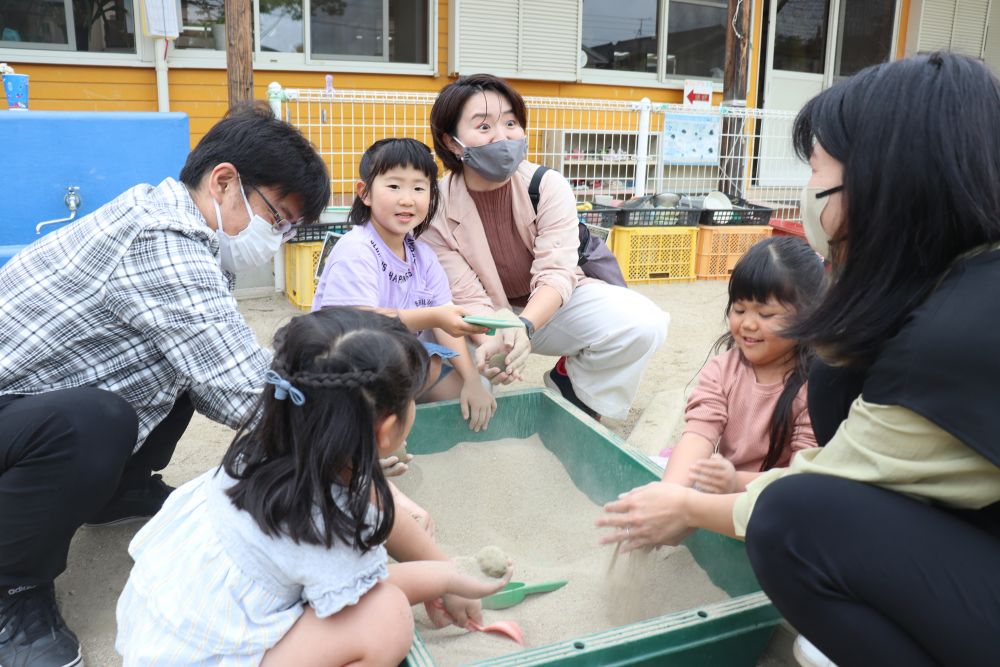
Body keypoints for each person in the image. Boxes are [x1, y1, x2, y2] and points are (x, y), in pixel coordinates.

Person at [598, 53, 1000, 666]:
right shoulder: (955, 278)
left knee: (791, 520)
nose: (808, 193)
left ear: (885, 182)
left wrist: (689, 506)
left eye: (815, 170)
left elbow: (826, 488)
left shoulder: (958, 334)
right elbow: (712, 421)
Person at [0, 103, 330, 667]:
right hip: (14, 405)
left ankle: (118, 492)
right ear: (224, 181)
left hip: (26, 405)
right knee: (95, 421)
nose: (276, 238)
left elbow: (217, 357)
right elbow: (240, 385)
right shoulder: (163, 238)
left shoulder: (179, 227)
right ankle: (12, 590)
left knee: (172, 370)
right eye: (277, 218)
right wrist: (338, 443)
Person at [115, 307, 510, 665]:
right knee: (386, 616)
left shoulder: (268, 449)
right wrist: (449, 578)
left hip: (163, 636)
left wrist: (438, 564)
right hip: (204, 656)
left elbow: (374, 500)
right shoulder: (325, 519)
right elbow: (374, 587)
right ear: (388, 428)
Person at [424, 73, 669, 421]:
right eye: (483, 127)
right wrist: (495, 339)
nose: (503, 136)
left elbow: (556, 272)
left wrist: (523, 327)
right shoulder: (436, 206)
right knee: (460, 392)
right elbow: (463, 294)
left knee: (644, 323)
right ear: (451, 142)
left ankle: (571, 390)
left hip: (547, 307)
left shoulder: (546, 185)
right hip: (484, 317)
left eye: (511, 122)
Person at [312, 138, 496, 432]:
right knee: (382, 420)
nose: (407, 199)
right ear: (365, 193)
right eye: (394, 186)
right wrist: (434, 316)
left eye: (419, 188)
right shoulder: (356, 249)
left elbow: (446, 322)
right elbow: (358, 324)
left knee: (479, 391)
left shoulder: (423, 256)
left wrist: (472, 379)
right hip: (351, 377)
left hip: (407, 371)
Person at [660, 236, 823, 494]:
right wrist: (668, 494)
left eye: (765, 314)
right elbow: (699, 434)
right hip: (721, 486)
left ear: (808, 316)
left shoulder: (813, 386)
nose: (748, 324)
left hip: (777, 502)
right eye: (739, 310)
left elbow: (802, 477)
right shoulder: (723, 370)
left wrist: (737, 483)